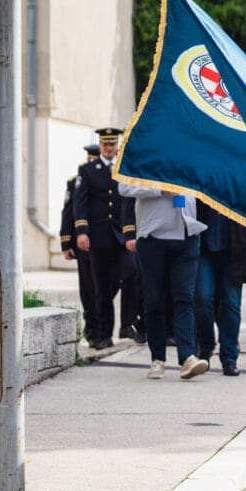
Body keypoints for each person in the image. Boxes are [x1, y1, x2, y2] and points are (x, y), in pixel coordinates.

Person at [118, 182, 208, 380]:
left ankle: (187, 357)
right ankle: (157, 357)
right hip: (153, 236)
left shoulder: (191, 154)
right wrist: (159, 189)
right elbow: (124, 187)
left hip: (187, 234)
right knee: (154, 299)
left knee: (184, 297)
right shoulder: (142, 152)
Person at [73, 127, 140, 349]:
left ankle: (127, 323)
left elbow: (130, 201)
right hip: (98, 237)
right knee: (101, 287)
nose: (109, 148)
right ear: (101, 146)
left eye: (112, 144)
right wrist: (82, 231)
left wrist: (131, 231)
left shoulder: (125, 168)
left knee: (131, 272)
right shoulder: (88, 170)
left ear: (117, 145)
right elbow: (79, 202)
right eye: (105, 144)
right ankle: (103, 334)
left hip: (121, 235)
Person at [194, 203, 246, 376]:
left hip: (236, 244)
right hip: (203, 243)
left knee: (231, 302)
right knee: (202, 297)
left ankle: (229, 357)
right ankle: (205, 345)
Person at [61, 144, 101, 339]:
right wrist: (66, 242)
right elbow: (69, 212)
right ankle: (92, 325)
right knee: (87, 285)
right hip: (85, 241)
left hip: (107, 240)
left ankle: (98, 317)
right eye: (91, 159)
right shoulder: (75, 181)